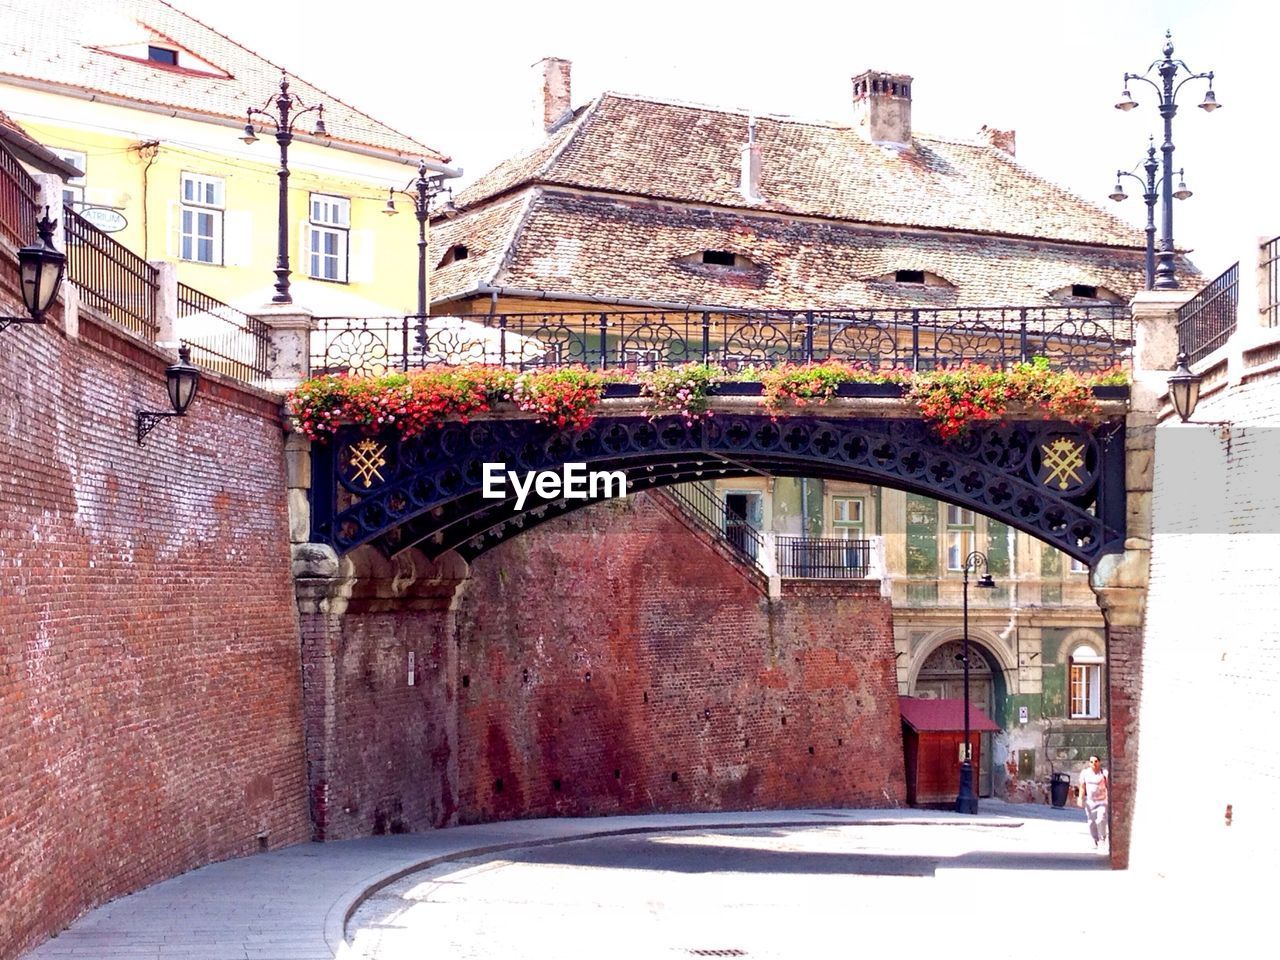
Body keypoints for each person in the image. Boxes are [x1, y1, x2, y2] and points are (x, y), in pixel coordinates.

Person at [1077, 755, 1109, 847]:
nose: (1093, 764)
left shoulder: (1104, 773)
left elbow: (1108, 786)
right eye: (1091, 762)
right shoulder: (1085, 773)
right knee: (1091, 821)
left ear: (1099, 762)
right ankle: (1094, 839)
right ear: (1089, 763)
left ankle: (1102, 837)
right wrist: (1080, 798)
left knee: (1101, 819)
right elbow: (1082, 786)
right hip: (1090, 802)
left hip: (1102, 801)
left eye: (1095, 761)